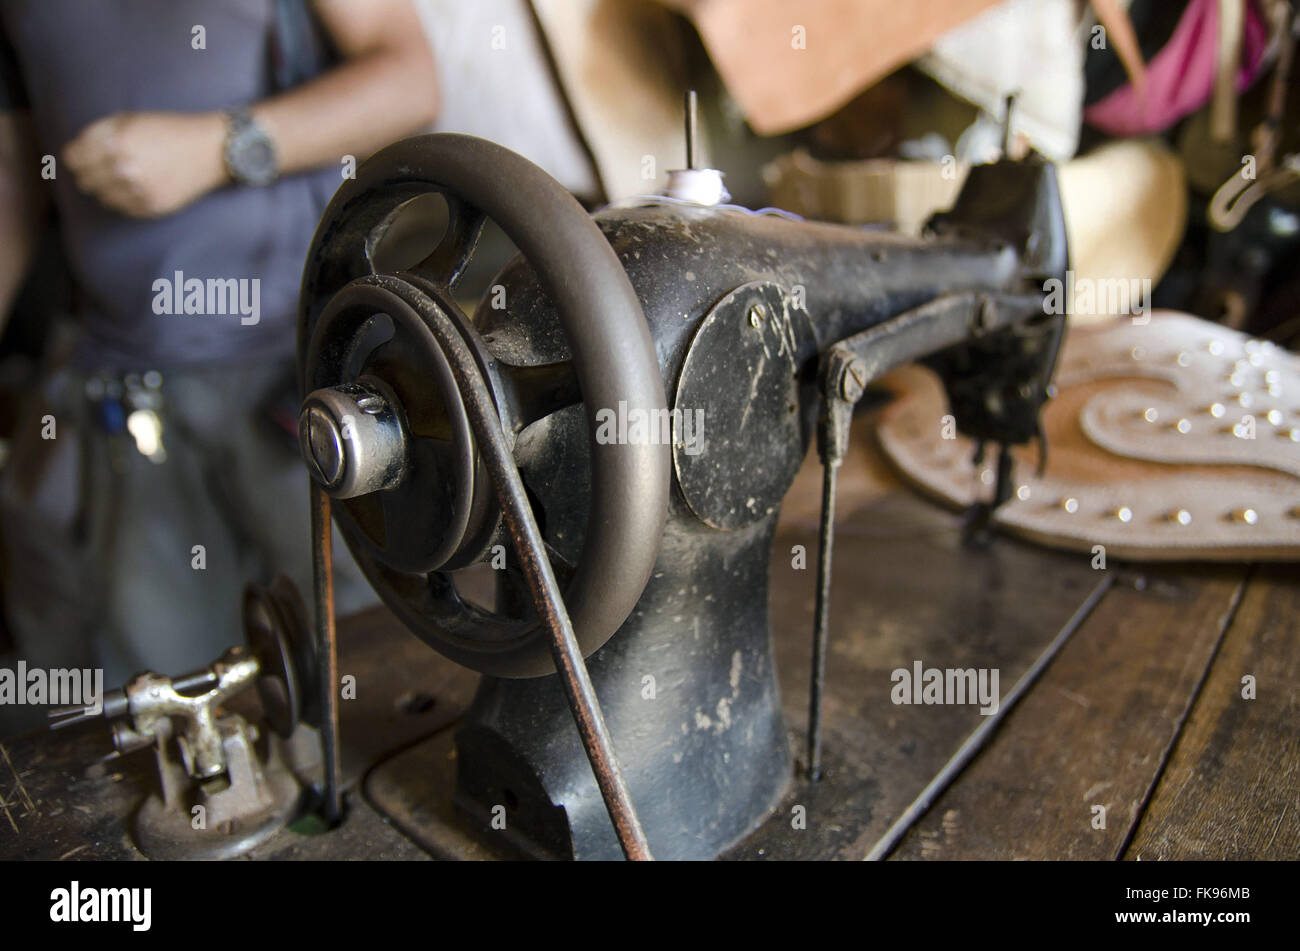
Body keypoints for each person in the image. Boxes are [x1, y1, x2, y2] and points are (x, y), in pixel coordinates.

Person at [0, 0, 439, 727]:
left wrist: (222, 148)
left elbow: (409, 75)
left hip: (299, 374)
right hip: (131, 383)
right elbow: (15, 169)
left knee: (373, 674)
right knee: (164, 695)